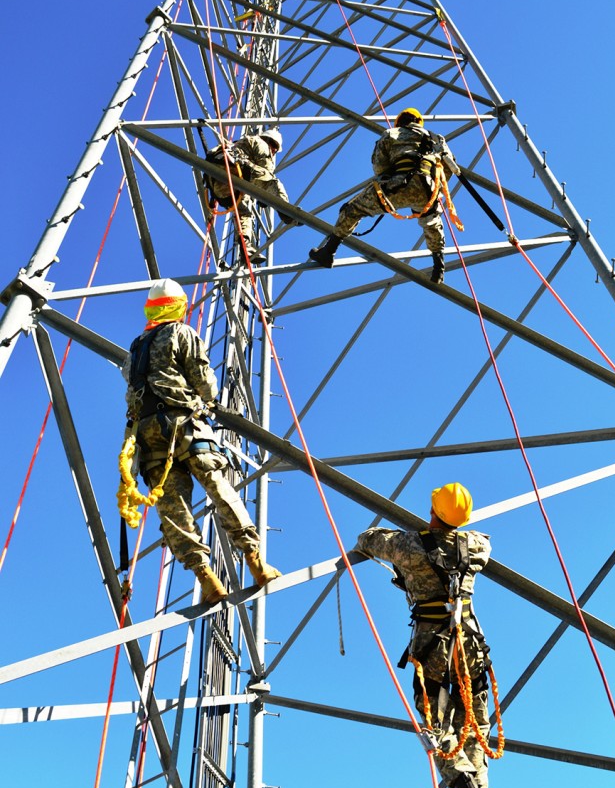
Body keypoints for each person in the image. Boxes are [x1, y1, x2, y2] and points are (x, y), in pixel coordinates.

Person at [356, 482, 501, 788]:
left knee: (437, 724)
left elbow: (367, 540)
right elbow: (478, 542)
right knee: (475, 719)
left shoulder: (410, 546)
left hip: (432, 643)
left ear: (432, 510)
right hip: (471, 643)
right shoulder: (478, 546)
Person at [120, 278, 281, 604]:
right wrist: (209, 400)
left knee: (173, 509)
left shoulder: (135, 349)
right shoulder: (181, 333)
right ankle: (255, 561)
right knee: (218, 487)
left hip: (148, 438)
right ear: (178, 305)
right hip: (185, 427)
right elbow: (204, 382)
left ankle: (206, 579)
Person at [308, 107, 459, 283]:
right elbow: (449, 168)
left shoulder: (392, 133)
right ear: (419, 121)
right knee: (432, 221)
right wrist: (431, 186)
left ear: (400, 121)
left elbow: (379, 166)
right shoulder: (437, 138)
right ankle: (438, 268)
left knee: (353, 209)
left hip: (396, 186)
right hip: (428, 189)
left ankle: (329, 251)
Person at [204, 128, 298, 264]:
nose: (273, 152)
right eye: (275, 149)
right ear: (270, 142)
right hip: (234, 169)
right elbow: (266, 171)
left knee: (244, 212)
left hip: (219, 186)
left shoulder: (239, 144)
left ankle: (245, 247)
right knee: (273, 182)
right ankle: (286, 210)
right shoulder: (260, 143)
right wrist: (265, 196)